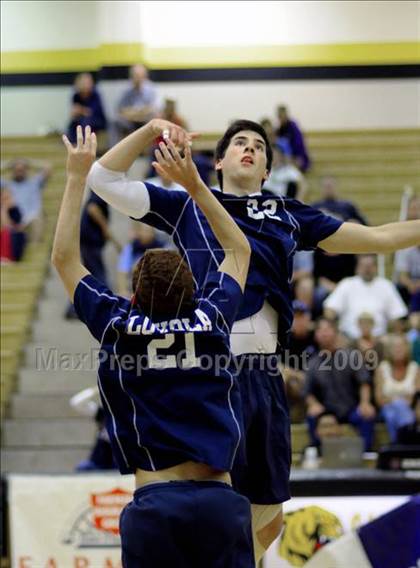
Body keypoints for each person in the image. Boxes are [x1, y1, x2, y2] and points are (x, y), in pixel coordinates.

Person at [86, 117, 420, 562]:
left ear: (266, 170)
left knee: (269, 515)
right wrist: (150, 130)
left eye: (259, 147)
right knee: (212, 502)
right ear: (219, 159)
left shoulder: (287, 214)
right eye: (239, 143)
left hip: (264, 376)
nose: (250, 149)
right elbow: (102, 178)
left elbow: (377, 237)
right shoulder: (187, 204)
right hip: (209, 375)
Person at [53, 125, 254, 567]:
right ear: (192, 290)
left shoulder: (119, 323)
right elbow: (239, 251)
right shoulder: (211, 317)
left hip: (156, 503)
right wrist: (196, 186)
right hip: (220, 503)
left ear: (135, 297)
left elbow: (64, 258)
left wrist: (75, 178)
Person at [304, 318, 376, 451]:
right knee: (312, 416)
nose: (324, 334)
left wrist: (365, 402)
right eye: (321, 330)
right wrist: (313, 404)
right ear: (316, 335)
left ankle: (366, 453)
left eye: (328, 330)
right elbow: (307, 391)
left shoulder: (352, 356)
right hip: (326, 410)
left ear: (335, 333)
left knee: (366, 415)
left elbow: (364, 382)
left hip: (352, 407)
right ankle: (317, 452)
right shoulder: (312, 363)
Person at [324, 254, 408, 340]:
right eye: (363, 266)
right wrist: (335, 330)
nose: (367, 269)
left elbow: (398, 315)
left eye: (370, 266)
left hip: (378, 339)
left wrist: (391, 334)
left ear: (376, 267)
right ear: (357, 267)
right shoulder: (347, 283)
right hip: (349, 338)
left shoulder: (386, 285)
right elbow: (329, 309)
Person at [374, 335, 420, 442]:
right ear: (389, 350)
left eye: (401, 347)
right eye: (395, 347)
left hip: (410, 410)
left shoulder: (415, 368)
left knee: (392, 415)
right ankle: (407, 440)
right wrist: (400, 401)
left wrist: (396, 400)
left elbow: (417, 398)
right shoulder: (382, 368)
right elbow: (379, 399)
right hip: (386, 409)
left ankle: (396, 448)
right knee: (393, 409)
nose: (398, 350)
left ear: (407, 349)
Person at [2, 158, 52, 241]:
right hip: (14, 219)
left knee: (37, 217)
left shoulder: (34, 183)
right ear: (13, 171)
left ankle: (35, 243)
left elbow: (48, 168)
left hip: (31, 219)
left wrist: (29, 163)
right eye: (17, 170)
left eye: (21, 170)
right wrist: (8, 164)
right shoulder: (8, 184)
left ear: (26, 170)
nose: (19, 172)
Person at [111, 64, 161, 145]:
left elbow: (155, 108)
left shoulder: (151, 89)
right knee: (114, 121)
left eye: (140, 75)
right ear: (131, 76)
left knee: (156, 118)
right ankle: (113, 152)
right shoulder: (126, 90)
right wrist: (137, 112)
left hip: (145, 121)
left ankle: (154, 152)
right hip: (129, 121)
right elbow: (119, 109)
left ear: (145, 76)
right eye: (135, 75)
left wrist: (136, 112)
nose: (137, 78)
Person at [116, 222, 167, 298]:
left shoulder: (163, 248)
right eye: (144, 231)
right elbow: (122, 271)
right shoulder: (130, 249)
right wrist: (123, 291)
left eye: (149, 231)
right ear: (138, 232)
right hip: (135, 289)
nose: (147, 234)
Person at [67, 72, 107, 144]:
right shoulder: (76, 96)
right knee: (72, 123)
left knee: (86, 122)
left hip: (97, 121)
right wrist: (75, 113)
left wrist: (80, 110)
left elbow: (92, 113)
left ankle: (84, 145)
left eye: (88, 82)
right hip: (82, 119)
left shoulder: (95, 95)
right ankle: (72, 143)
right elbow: (74, 111)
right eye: (83, 83)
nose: (85, 85)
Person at [275, 105, 311, 172]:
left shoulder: (293, 127)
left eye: (283, 115)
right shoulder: (279, 130)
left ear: (286, 115)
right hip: (285, 158)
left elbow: (299, 144)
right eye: (280, 116)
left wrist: (296, 158)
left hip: (297, 157)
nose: (282, 118)